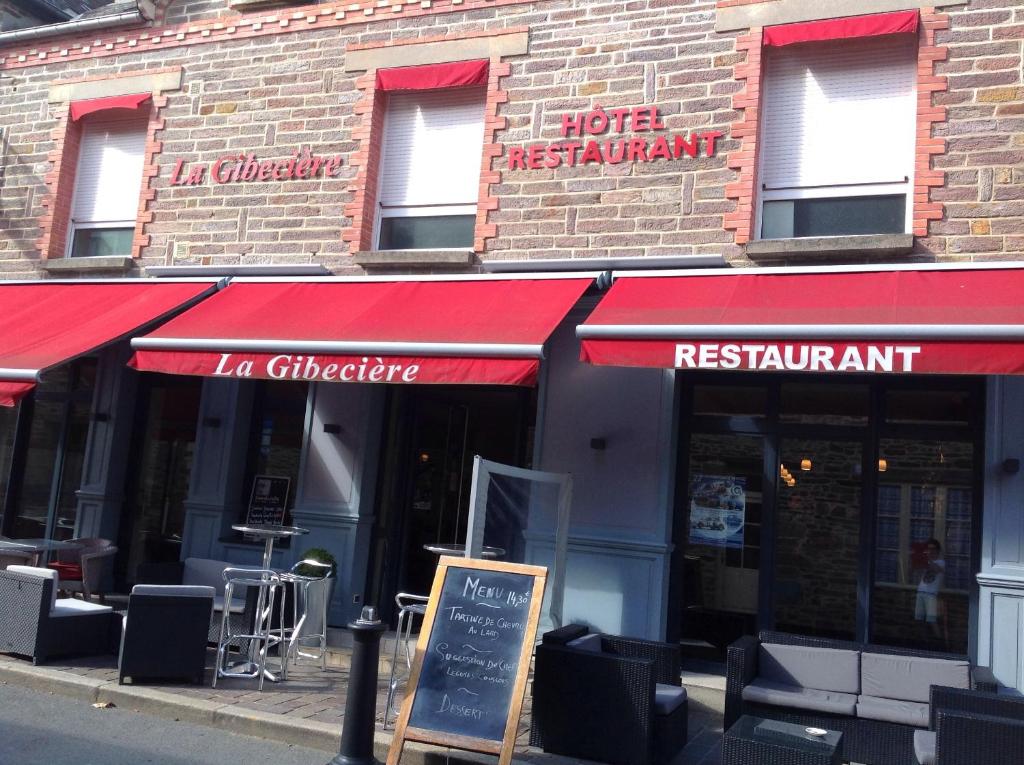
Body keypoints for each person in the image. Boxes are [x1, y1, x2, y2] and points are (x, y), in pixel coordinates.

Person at [915, 538, 945, 640]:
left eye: (933, 548)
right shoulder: (926, 562)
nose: (930, 551)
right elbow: (916, 570)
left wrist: (928, 559)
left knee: (932, 620)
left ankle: (940, 644)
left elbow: (936, 569)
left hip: (931, 594)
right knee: (919, 620)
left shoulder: (941, 562)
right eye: (928, 548)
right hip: (921, 591)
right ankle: (924, 642)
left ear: (938, 550)